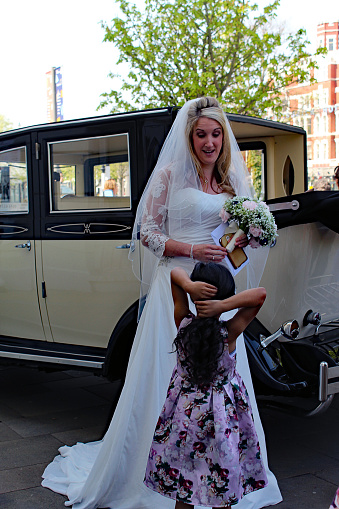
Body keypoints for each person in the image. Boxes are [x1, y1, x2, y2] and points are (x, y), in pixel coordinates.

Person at [42, 97, 282, 508]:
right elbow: (147, 232)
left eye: (216, 133)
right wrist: (191, 248)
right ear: (190, 138)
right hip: (177, 282)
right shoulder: (170, 175)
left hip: (217, 288)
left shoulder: (230, 186)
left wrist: (245, 237)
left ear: (224, 138)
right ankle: (159, 476)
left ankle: (222, 474)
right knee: (170, 381)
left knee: (221, 382)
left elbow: (243, 236)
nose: (209, 142)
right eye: (201, 134)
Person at [144, 262, 268, 508]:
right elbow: (260, 295)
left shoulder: (183, 322)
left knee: (183, 481)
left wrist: (190, 287)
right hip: (221, 419)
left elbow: (174, 274)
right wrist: (223, 306)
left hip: (185, 415)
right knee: (220, 477)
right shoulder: (230, 332)